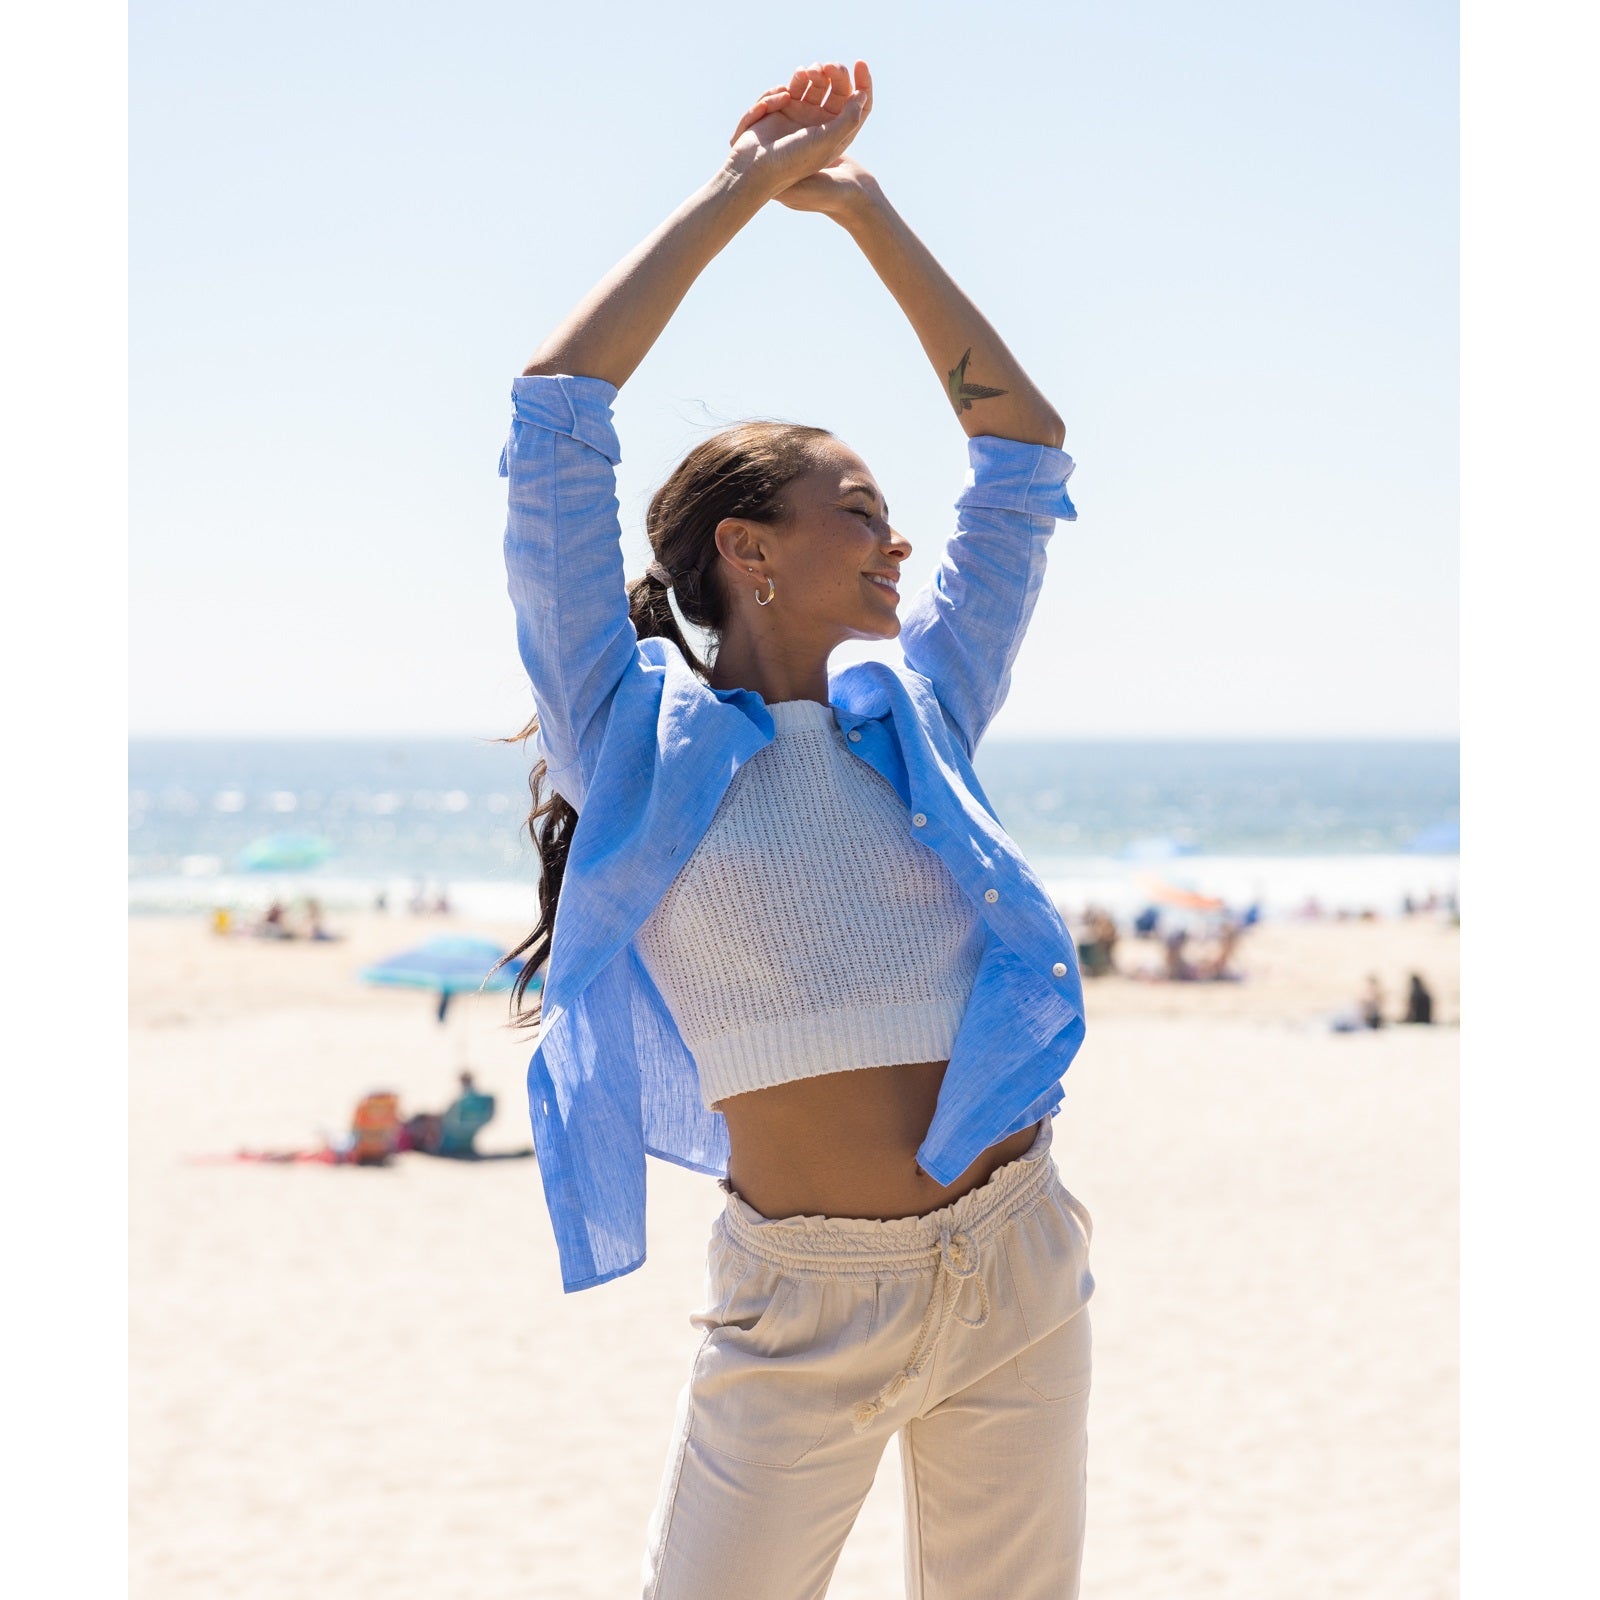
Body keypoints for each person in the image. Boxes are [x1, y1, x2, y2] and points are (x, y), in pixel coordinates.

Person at [496, 60, 1092, 1600]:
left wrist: (868, 217)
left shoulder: (927, 710)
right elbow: (557, 416)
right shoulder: (626, 743)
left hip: (1016, 1253)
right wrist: (740, 194)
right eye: (858, 509)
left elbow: (1024, 456)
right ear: (749, 551)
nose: (899, 542)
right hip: (801, 1302)